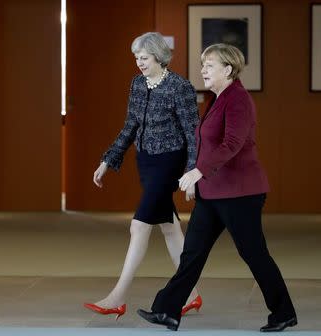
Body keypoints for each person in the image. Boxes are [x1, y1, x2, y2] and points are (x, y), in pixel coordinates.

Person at [137, 44, 297, 332]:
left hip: (240, 193)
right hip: (213, 193)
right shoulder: (218, 98)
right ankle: (166, 311)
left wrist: (199, 171)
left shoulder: (238, 100)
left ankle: (283, 313)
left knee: (254, 253)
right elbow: (206, 144)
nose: (203, 70)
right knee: (192, 253)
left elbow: (232, 145)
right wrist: (196, 179)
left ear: (228, 69)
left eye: (209, 65)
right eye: (203, 65)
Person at [83, 32, 202, 319]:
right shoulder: (137, 84)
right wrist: (107, 160)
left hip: (170, 162)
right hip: (146, 162)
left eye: (144, 58)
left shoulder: (179, 87)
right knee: (170, 229)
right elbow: (130, 126)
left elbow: (193, 133)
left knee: (139, 226)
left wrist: (192, 172)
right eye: (136, 57)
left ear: (159, 57)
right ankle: (192, 295)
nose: (139, 63)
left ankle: (118, 296)